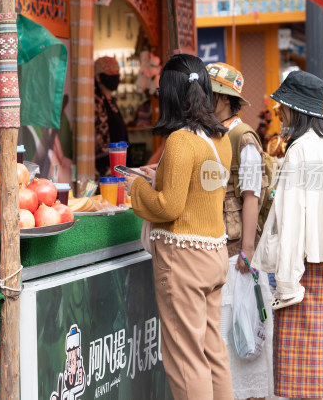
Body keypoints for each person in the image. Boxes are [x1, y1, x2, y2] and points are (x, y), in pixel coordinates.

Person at [124, 54, 233, 400]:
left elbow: (168, 207)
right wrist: (162, 176)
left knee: (185, 357)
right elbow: (203, 187)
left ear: (170, 94)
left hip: (183, 258)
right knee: (212, 349)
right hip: (215, 253)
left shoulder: (180, 141)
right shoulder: (221, 138)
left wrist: (137, 188)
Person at [252, 70, 323, 400]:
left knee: (298, 368)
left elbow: (292, 222)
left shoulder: (298, 151)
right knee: (321, 347)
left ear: (296, 109)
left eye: (283, 107)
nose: (280, 112)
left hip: (301, 266)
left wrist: (287, 282)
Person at [208, 62, 274, 399]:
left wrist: (247, 248)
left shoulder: (242, 136)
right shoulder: (214, 133)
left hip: (237, 252)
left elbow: (251, 195)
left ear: (222, 99)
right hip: (220, 246)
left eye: (208, 93)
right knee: (226, 333)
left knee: (240, 328)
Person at [94, 56, 128, 178]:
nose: (115, 75)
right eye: (110, 72)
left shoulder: (111, 102)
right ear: (98, 77)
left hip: (118, 167)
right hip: (105, 173)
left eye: (117, 72)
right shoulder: (96, 103)